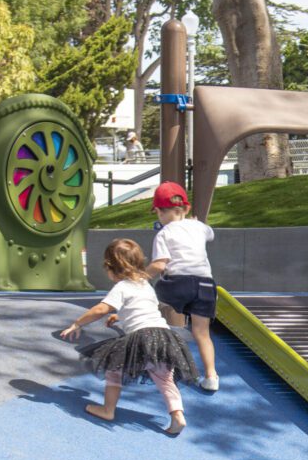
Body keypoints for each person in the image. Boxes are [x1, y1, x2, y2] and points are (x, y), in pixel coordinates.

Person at [60, 239, 198, 435]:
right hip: (165, 336)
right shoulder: (145, 285)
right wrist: (120, 316)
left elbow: (101, 309)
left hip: (141, 338)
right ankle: (177, 416)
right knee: (165, 379)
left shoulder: (122, 287)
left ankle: (108, 410)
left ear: (111, 268)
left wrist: (77, 323)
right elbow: (142, 308)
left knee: (114, 370)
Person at [146, 182, 220, 392]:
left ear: (159, 211)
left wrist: (140, 277)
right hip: (206, 285)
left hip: (178, 284)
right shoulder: (199, 227)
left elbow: (160, 264)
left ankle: (157, 343)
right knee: (201, 333)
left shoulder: (163, 234)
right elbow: (210, 234)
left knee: (156, 300)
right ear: (186, 209)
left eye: (158, 213)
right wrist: (196, 223)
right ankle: (211, 376)